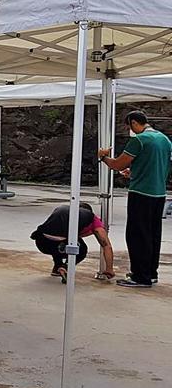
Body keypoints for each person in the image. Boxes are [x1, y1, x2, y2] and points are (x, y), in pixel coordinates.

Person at [99, 110, 172, 288]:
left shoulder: (139, 140)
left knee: (137, 235)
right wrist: (135, 173)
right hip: (159, 194)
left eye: (128, 126)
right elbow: (161, 166)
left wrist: (103, 157)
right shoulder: (165, 140)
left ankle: (140, 277)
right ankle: (150, 272)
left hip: (141, 194)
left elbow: (117, 164)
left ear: (133, 123)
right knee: (153, 235)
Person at [31, 203, 114, 282]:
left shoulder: (63, 210)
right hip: (59, 241)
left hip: (41, 242)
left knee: (61, 245)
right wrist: (109, 269)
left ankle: (58, 266)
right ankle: (65, 267)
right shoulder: (94, 220)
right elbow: (106, 246)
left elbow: (54, 233)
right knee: (81, 250)